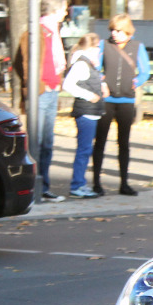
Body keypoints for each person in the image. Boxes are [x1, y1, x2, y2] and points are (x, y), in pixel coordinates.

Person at [13, 0, 70, 203]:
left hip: (51, 90)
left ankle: (44, 187)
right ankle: (31, 188)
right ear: (55, 10)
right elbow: (23, 63)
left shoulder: (52, 31)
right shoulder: (36, 31)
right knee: (35, 142)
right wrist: (37, 86)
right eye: (64, 8)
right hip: (42, 92)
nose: (66, 12)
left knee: (47, 142)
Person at [93, 13, 149, 196]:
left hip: (126, 100)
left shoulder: (137, 47)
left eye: (117, 30)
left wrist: (135, 82)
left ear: (127, 31)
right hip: (107, 100)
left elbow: (145, 71)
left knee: (123, 143)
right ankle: (96, 183)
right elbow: (96, 67)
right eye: (112, 30)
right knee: (100, 141)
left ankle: (124, 183)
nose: (114, 34)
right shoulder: (104, 45)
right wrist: (102, 82)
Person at [61, 32, 106, 198]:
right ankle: (77, 185)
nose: (99, 52)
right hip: (86, 111)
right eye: (97, 48)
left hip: (91, 111)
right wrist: (89, 95)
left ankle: (80, 183)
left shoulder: (87, 64)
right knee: (84, 149)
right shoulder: (81, 65)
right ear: (91, 48)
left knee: (85, 149)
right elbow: (68, 85)